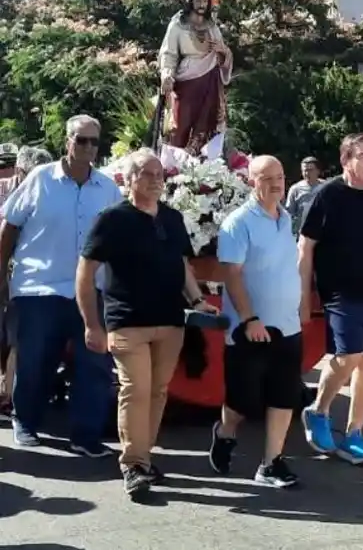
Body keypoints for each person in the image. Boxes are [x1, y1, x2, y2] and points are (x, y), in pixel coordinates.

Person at [77, 148, 216, 496]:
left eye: (160, 175)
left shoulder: (172, 218)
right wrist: (92, 324)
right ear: (129, 180)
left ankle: (144, 457)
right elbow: (86, 272)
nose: (156, 180)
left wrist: (197, 300)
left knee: (157, 391)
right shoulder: (112, 219)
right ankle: (134, 464)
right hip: (127, 321)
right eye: (147, 174)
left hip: (169, 321)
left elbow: (182, 266)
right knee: (135, 390)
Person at [0, 115, 123, 454]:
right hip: (40, 286)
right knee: (36, 359)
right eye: (81, 140)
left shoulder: (108, 188)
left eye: (93, 141)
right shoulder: (41, 179)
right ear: (67, 142)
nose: (87, 147)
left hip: (91, 291)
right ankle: (26, 421)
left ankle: (86, 436)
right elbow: (10, 226)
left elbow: (118, 237)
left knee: (95, 363)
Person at [298, 133, 363, 465]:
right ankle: (318, 411)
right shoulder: (328, 195)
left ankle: (355, 433)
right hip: (339, 292)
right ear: (346, 161)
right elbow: (306, 246)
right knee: (349, 355)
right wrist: (304, 297)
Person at [209, 155, 303, 488]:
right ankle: (225, 432)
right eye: (267, 178)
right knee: (243, 401)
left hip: (287, 326)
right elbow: (232, 275)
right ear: (251, 181)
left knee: (284, 395)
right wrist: (250, 319)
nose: (276, 184)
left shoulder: (285, 218)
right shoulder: (238, 223)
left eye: (280, 176)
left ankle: (271, 463)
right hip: (249, 329)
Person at [0, 146, 53, 419]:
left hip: (27, 277)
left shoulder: (48, 192)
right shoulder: (3, 190)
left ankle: (8, 395)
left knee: (17, 335)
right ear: (20, 171)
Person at [159, 0, 233, 155]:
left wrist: (223, 51)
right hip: (186, 82)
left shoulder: (212, 26)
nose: (202, 4)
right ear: (190, 1)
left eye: (205, 1)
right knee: (180, 125)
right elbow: (169, 53)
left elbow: (223, 53)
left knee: (208, 123)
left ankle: (205, 161)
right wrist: (167, 74)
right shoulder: (178, 25)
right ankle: (175, 163)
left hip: (210, 81)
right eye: (198, 0)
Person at [286, 156, 323, 236]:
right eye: (304, 170)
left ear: (318, 171)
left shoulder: (326, 187)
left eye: (310, 170)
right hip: (303, 234)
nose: (307, 173)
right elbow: (289, 214)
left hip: (323, 234)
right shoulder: (295, 189)